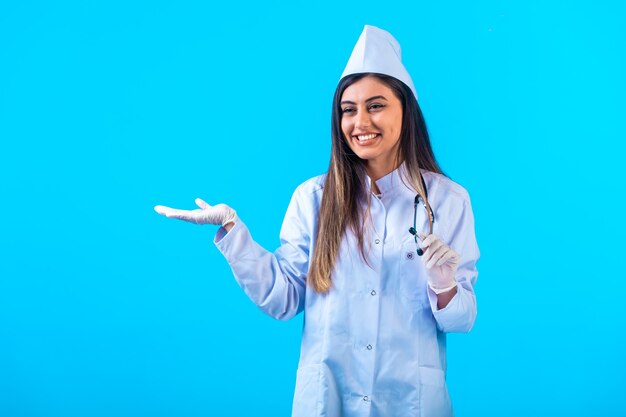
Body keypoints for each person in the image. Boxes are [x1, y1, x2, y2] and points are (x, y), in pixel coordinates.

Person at [155, 25, 480, 417]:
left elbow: (461, 320)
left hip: (409, 402)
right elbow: (283, 298)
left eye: (376, 105)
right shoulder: (313, 199)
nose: (360, 121)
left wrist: (443, 285)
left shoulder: (447, 201)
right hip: (328, 400)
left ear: (405, 111)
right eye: (349, 109)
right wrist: (232, 231)